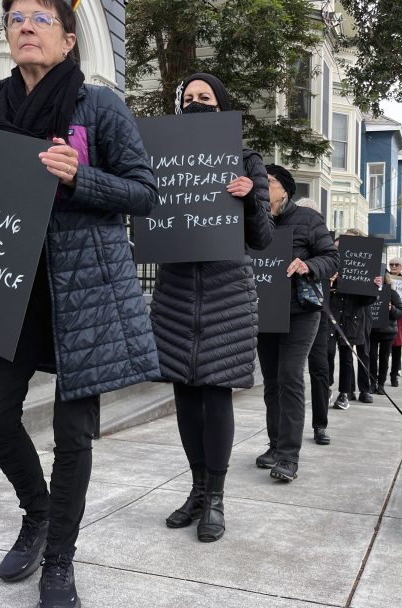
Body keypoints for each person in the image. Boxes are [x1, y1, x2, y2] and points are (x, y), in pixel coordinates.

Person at [0, 0, 160, 608]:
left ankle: (59, 562)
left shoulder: (98, 107)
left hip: (84, 295)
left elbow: (144, 191)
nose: (26, 26)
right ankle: (37, 510)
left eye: (40, 18)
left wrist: (83, 177)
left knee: (73, 437)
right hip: (8, 293)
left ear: (67, 39)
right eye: (15, 17)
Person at [150, 73, 273, 542]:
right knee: (184, 395)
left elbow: (261, 240)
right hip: (178, 294)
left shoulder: (246, 161)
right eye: (188, 98)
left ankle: (216, 499)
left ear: (221, 108)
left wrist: (248, 201)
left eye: (205, 97)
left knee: (217, 394)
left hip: (227, 297)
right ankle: (197, 491)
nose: (196, 102)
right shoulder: (161, 158)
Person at [256, 167, 338, 479]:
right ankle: (275, 444)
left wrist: (309, 264)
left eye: (269, 181)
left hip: (301, 312)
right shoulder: (255, 221)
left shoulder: (308, 220)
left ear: (285, 190)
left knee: (290, 377)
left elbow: (331, 257)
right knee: (271, 382)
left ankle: (289, 457)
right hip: (266, 311)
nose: (263, 186)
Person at [295, 197, 334, 445]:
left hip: (318, 315)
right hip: (291, 314)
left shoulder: (325, 249)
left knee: (319, 370)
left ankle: (320, 425)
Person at [329, 231, 377, 408]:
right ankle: (342, 389)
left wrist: (373, 287)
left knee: (359, 352)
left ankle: (359, 390)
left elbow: (368, 299)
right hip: (335, 313)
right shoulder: (334, 261)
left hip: (357, 316)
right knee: (334, 352)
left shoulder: (367, 263)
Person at [368, 269, 402, 394]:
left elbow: (400, 313)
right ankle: (372, 382)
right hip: (371, 330)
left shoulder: (392, 293)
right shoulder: (369, 291)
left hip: (387, 332)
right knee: (371, 357)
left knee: (384, 358)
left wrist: (392, 308)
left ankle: (381, 384)